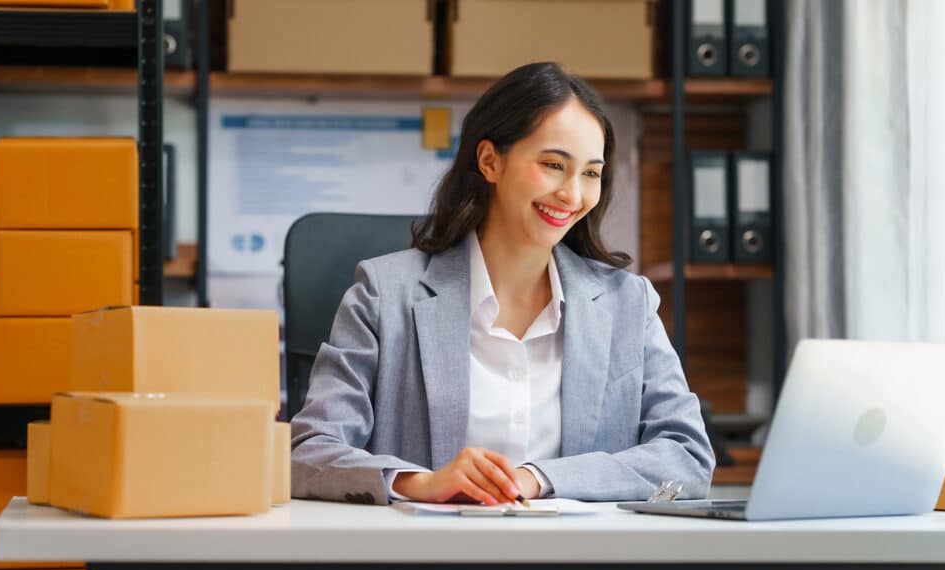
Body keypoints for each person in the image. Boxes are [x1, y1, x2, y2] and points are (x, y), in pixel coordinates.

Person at [290, 62, 715, 506]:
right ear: (490, 161)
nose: (573, 195)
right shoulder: (383, 294)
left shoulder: (629, 304)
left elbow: (687, 458)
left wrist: (539, 479)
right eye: (554, 165)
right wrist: (419, 483)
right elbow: (308, 454)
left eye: (591, 173)